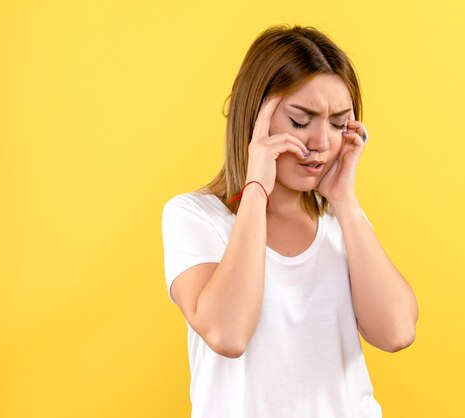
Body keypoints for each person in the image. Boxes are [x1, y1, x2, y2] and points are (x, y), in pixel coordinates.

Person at [161, 24, 418, 418]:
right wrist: (255, 190)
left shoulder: (341, 220)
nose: (321, 142)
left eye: (337, 124)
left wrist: (346, 202)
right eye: (301, 120)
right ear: (255, 118)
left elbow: (397, 332)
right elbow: (228, 334)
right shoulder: (194, 216)